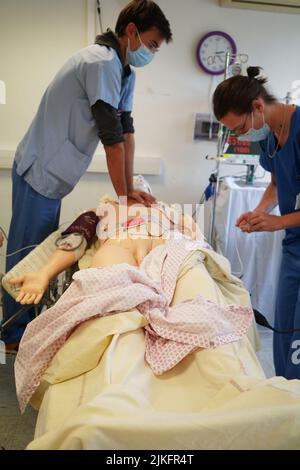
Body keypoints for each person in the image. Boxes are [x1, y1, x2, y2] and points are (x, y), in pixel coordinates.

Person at [3, 0, 172, 349]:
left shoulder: (125, 71)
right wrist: (124, 198)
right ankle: (12, 334)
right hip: (41, 167)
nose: (152, 53)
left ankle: (25, 326)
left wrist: (129, 191)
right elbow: (111, 140)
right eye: (152, 44)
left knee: (42, 246)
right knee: (29, 251)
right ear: (131, 31)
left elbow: (126, 133)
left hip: (57, 171)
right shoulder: (100, 62)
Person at [213, 66, 300, 379]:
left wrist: (277, 222)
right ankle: (283, 392)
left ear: (258, 107)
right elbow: (278, 183)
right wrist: (261, 211)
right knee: (285, 325)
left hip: (291, 233)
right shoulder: (269, 137)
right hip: (294, 246)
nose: (239, 137)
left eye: (238, 129)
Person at [8, 199, 202, 305]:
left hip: (167, 249)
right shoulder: (104, 210)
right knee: (109, 305)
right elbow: (76, 239)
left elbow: (198, 241)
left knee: (195, 295)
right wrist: (44, 273)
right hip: (119, 246)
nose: (138, 184)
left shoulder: (169, 210)